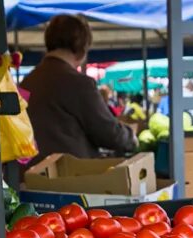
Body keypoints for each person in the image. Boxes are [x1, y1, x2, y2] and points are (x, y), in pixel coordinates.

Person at [20, 14, 135, 159]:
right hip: (67, 177)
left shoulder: (27, 82)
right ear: (82, 48)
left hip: (28, 176)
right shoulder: (80, 84)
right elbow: (108, 133)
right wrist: (131, 137)